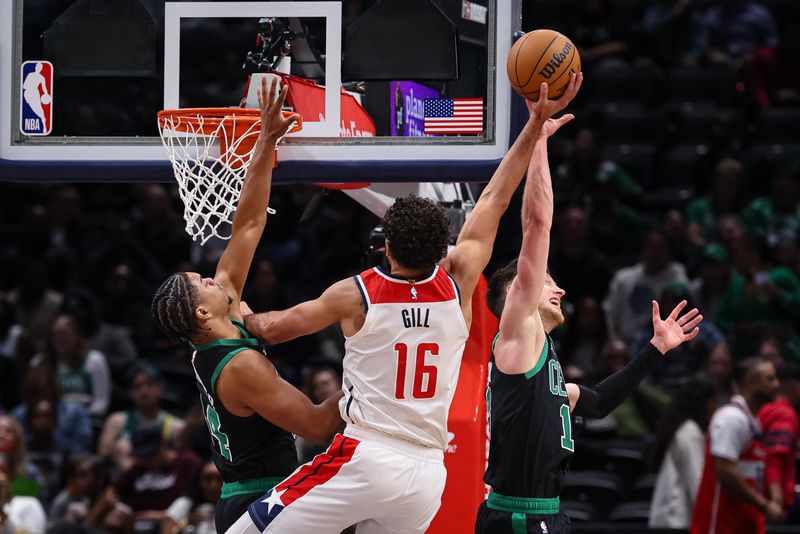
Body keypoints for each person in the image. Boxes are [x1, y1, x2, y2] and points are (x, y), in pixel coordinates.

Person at [230, 75, 584, 534]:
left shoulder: (355, 293)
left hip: (366, 454)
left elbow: (274, 329)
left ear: (387, 246)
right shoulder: (458, 281)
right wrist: (533, 126)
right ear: (443, 248)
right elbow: (496, 199)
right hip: (426, 475)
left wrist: (238, 314)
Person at [475, 91, 704, 533]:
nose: (558, 287)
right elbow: (537, 224)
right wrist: (538, 139)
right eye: (546, 281)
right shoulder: (518, 333)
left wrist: (655, 349)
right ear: (516, 296)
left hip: (544, 512)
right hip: (518, 515)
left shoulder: (544, 366)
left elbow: (597, 403)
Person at [150, 78, 336, 533]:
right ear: (201, 313)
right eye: (203, 281)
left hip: (266, 493)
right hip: (258, 498)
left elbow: (249, 225)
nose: (213, 276)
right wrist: (372, 379)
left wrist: (266, 141)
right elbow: (315, 425)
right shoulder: (238, 367)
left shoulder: (224, 315)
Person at [691, 358, 783, 534]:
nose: (777, 384)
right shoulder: (731, 418)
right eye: (769, 379)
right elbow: (724, 470)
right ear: (749, 380)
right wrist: (764, 505)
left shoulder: (752, 421)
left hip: (743, 524)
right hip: (721, 526)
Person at [649, 375, 718, 528]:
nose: (715, 407)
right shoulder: (690, 433)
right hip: (676, 522)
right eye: (714, 401)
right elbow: (697, 485)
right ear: (705, 403)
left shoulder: (683, 430)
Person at [98, 362, 183, 471]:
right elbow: (102, 455)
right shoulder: (117, 421)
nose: (144, 391)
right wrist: (117, 452)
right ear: (130, 393)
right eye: (137, 386)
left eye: (149, 384)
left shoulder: (176, 426)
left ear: (161, 389)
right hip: (123, 478)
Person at [758, 362, 800, 516]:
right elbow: (774, 457)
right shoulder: (785, 415)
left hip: (760, 493)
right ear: (794, 385)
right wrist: (777, 500)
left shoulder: (765, 409)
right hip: (776, 501)